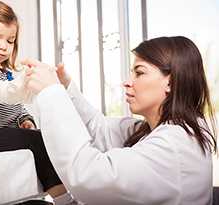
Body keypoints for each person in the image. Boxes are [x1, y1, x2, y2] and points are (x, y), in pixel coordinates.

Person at [23, 36, 218, 205]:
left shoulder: (173, 145)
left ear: (171, 82)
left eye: (139, 72)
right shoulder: (155, 130)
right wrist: (64, 88)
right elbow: (98, 128)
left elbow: (88, 176)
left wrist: (52, 95)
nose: (127, 81)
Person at [0, 0, 82, 204]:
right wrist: (24, 83)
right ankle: (65, 200)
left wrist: (25, 118)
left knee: (42, 136)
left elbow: (16, 104)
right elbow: (2, 93)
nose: (4, 46)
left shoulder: (4, 73)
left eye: (10, 40)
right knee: (36, 142)